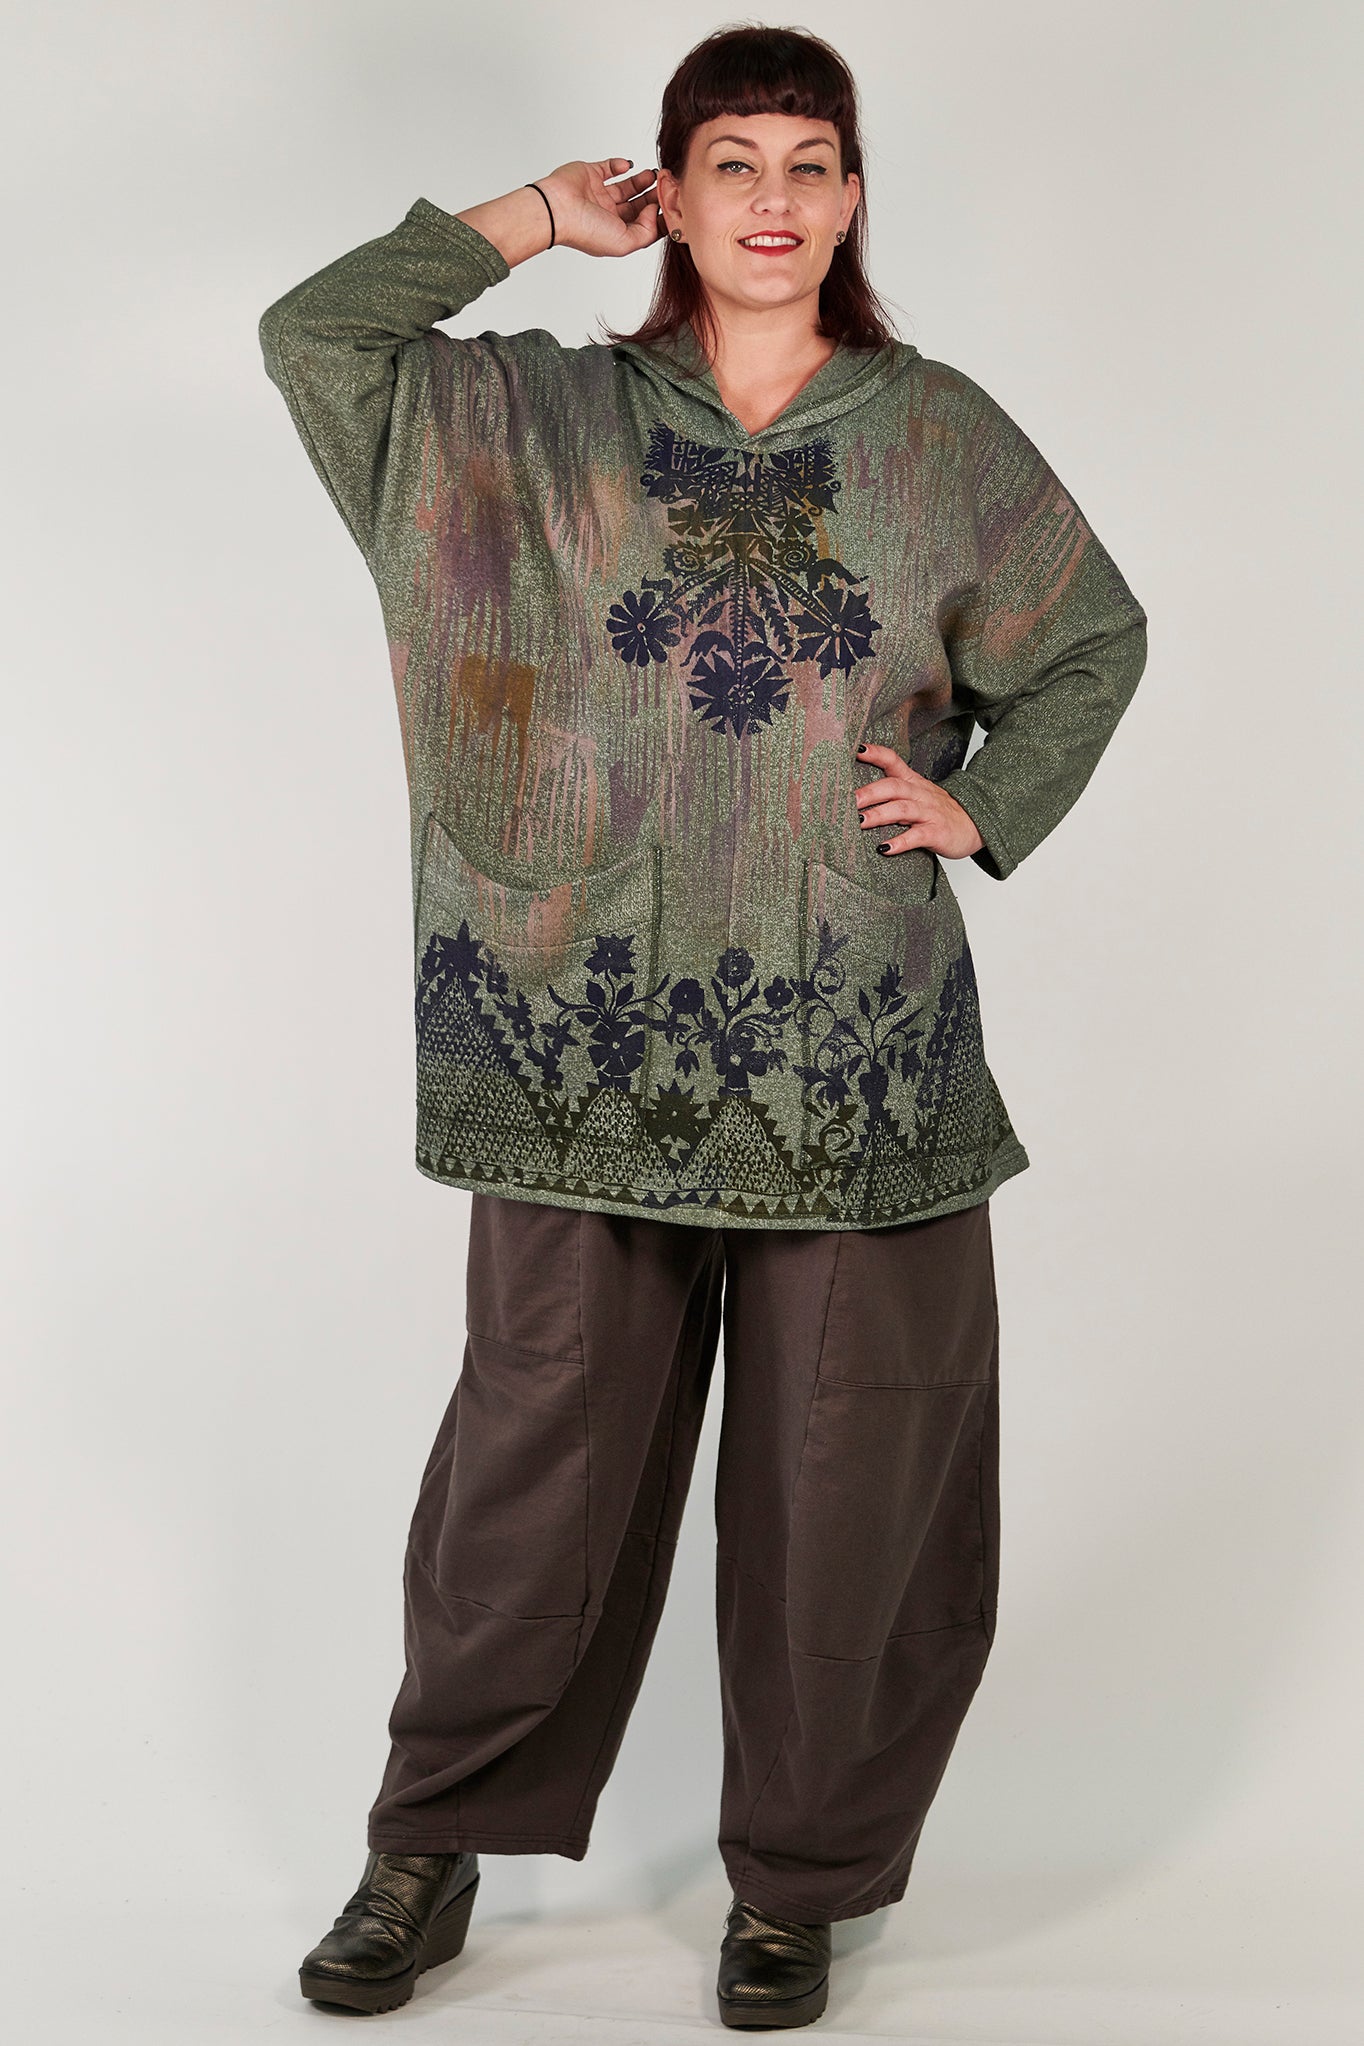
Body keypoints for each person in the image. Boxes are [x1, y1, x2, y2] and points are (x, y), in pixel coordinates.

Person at [258, 23, 1147, 2031]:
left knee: (853, 1478)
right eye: (730, 161)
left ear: (853, 197)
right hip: (574, 1029)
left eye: (809, 163)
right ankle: (429, 1844)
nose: (772, 199)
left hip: (853, 1043)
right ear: (670, 188)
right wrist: (529, 219)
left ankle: (798, 1886)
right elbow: (317, 337)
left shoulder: (936, 435)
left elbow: (1092, 637)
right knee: (535, 1469)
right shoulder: (526, 420)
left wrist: (984, 801)